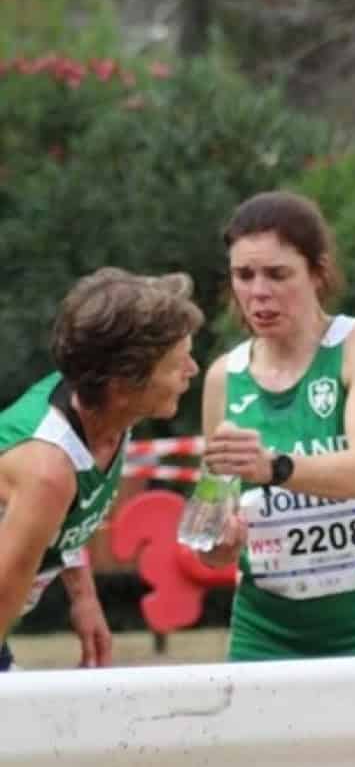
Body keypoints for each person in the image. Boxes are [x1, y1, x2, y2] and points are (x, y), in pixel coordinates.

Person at [196, 191, 355, 660]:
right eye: (244, 275)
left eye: (278, 274)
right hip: (264, 636)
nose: (259, 292)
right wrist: (218, 541)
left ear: (317, 273)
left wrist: (273, 467)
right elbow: (213, 527)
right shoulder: (223, 378)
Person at [0, 268, 202, 670]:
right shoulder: (48, 470)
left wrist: (84, 597)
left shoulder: (107, 415)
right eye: (178, 362)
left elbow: (66, 520)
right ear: (123, 385)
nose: (193, 370)